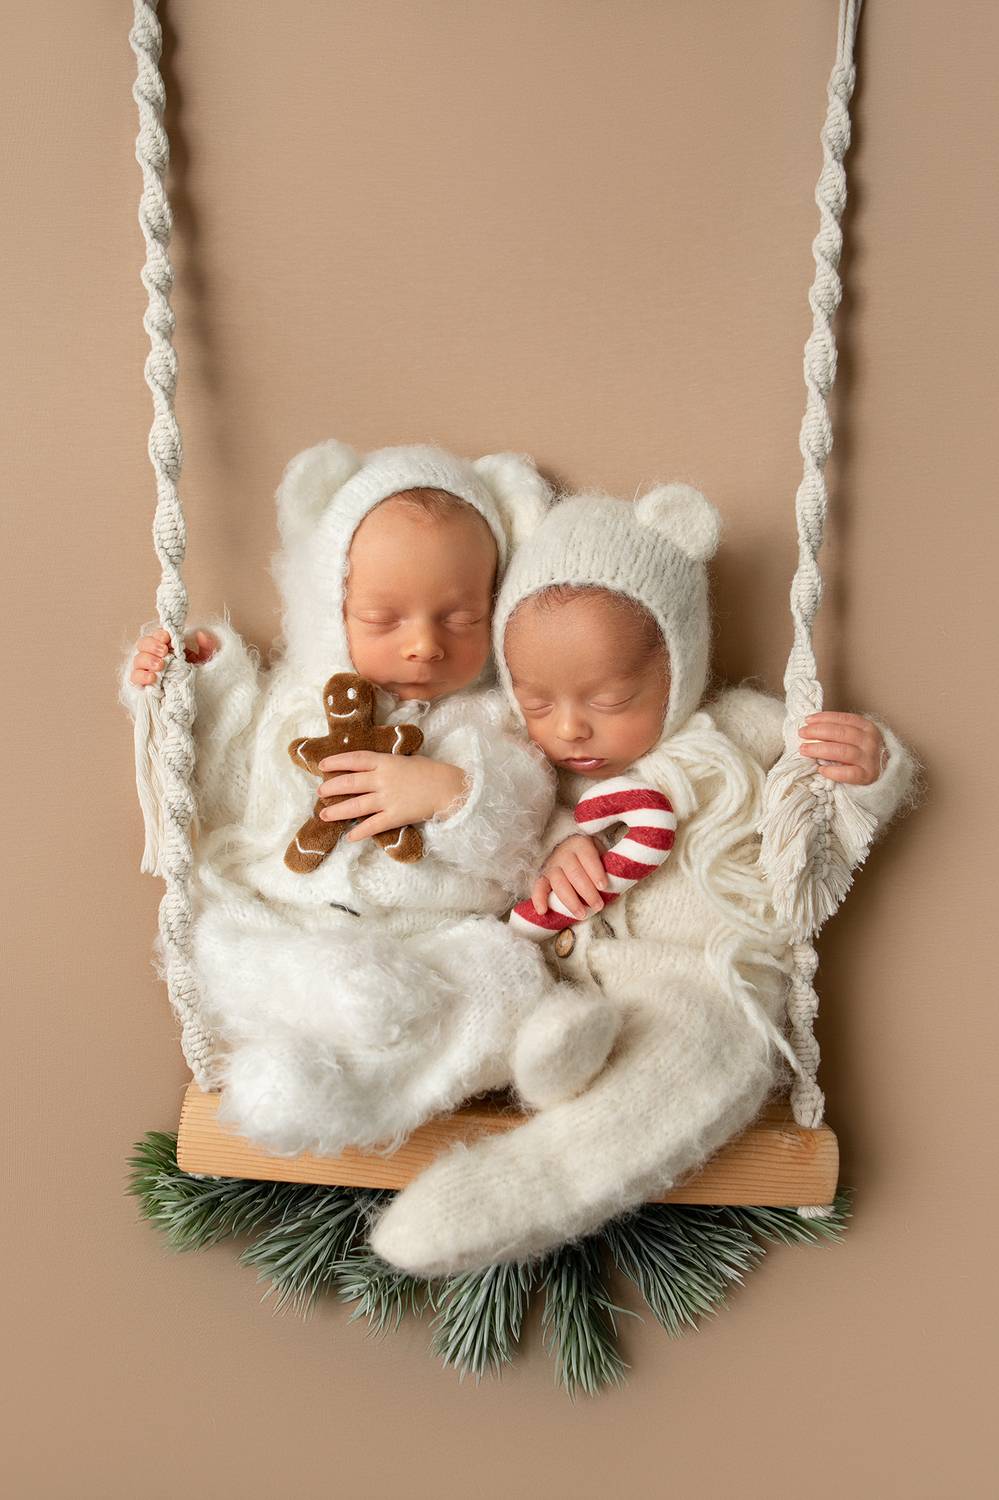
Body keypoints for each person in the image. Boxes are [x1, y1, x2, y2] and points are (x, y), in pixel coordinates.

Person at [369, 482, 918, 1276]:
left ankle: (535, 1182)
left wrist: (865, 772)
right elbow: (492, 844)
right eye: (537, 701)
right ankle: (554, 1059)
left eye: (609, 698)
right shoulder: (525, 768)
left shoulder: (734, 739)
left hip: (692, 977)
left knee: (701, 1046)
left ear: (679, 663)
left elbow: (816, 805)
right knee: (472, 997)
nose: (569, 727)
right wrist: (550, 851)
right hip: (549, 977)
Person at [123, 441, 617, 1157]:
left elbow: (523, 829)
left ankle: (335, 1089)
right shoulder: (293, 704)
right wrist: (194, 679)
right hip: (294, 924)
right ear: (332, 607)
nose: (424, 646)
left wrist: (451, 791)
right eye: (386, 619)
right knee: (220, 943)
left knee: (506, 971)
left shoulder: (488, 724)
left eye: (459, 619)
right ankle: (340, 1016)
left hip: (434, 940)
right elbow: (226, 779)